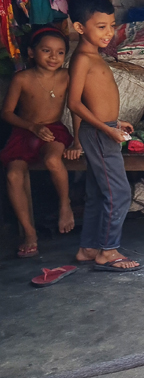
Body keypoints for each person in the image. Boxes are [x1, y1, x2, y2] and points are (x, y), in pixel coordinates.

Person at [67, 0, 141, 271]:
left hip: (105, 129)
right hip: (98, 134)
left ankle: (88, 248)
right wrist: (107, 130)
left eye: (111, 25)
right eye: (101, 27)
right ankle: (108, 252)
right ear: (79, 28)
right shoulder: (83, 59)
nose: (109, 32)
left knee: (99, 191)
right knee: (119, 192)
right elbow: (73, 103)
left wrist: (116, 122)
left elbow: (94, 100)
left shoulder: (94, 56)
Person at [0, 26, 82, 258]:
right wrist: (32, 126)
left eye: (59, 52)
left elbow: (75, 109)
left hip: (54, 130)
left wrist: (77, 142)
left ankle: (64, 206)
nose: (53, 57)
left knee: (53, 159)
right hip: (24, 132)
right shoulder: (22, 79)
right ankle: (29, 233)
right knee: (13, 174)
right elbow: (6, 112)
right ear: (31, 52)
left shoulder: (67, 76)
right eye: (46, 51)